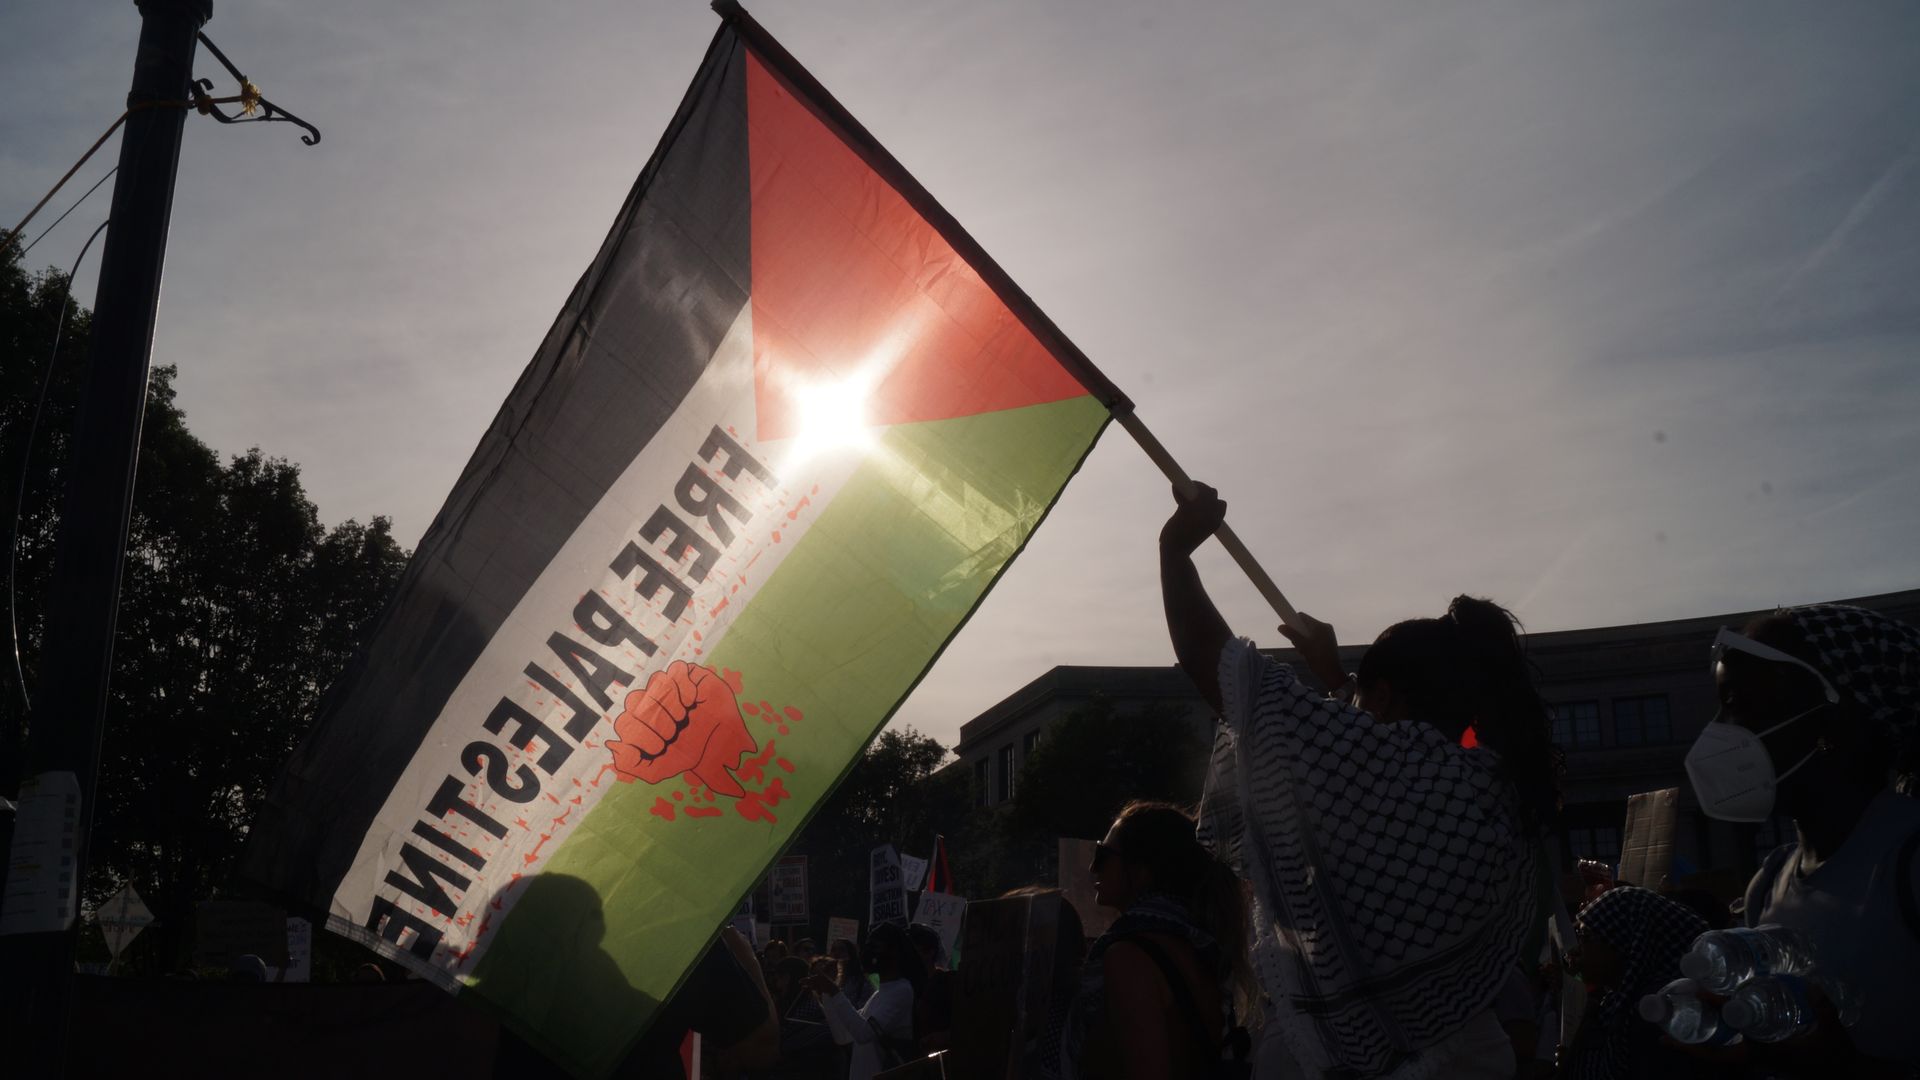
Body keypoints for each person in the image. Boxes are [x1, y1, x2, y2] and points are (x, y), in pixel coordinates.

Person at [1161, 482, 1557, 1078]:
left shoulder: (1394, 770)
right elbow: (1368, 755)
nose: (1352, 716)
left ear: (1388, 696)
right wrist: (1339, 678)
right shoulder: (1490, 783)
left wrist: (1175, 552)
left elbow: (1224, 673)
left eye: (1363, 700)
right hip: (1474, 1053)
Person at [1685, 604, 1920, 1073]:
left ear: (1835, 722)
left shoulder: (1909, 861)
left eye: (1741, 705)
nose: (1721, 730)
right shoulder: (1768, 882)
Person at [1062, 801, 1253, 1080]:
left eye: (1103, 854)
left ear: (1142, 870)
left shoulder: (1128, 956)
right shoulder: (1199, 944)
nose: (1093, 867)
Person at [1559, 886, 1706, 1080]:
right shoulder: (1616, 1001)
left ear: (1624, 942)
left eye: (1586, 938)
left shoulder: (1657, 1012)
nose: (1577, 951)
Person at [807, 922, 924, 1080]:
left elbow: (864, 1033)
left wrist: (834, 991)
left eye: (875, 947)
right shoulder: (879, 994)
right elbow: (843, 1035)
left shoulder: (901, 991)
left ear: (894, 952)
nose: (868, 952)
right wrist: (827, 993)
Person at [829, 936, 874, 1007]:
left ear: (850, 954)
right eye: (833, 949)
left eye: (841, 949)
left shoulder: (862, 981)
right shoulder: (826, 977)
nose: (836, 953)